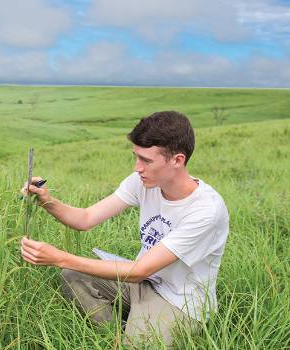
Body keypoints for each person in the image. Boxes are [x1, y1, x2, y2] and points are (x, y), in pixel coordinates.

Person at [19, 110, 229, 347]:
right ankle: (118, 334)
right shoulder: (143, 181)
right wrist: (47, 200)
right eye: (136, 157)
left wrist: (60, 258)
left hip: (179, 301)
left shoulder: (205, 211)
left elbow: (139, 270)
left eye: (146, 160)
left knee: (70, 268)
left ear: (177, 160)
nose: (137, 168)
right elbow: (86, 218)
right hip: (143, 283)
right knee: (73, 277)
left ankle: (137, 335)